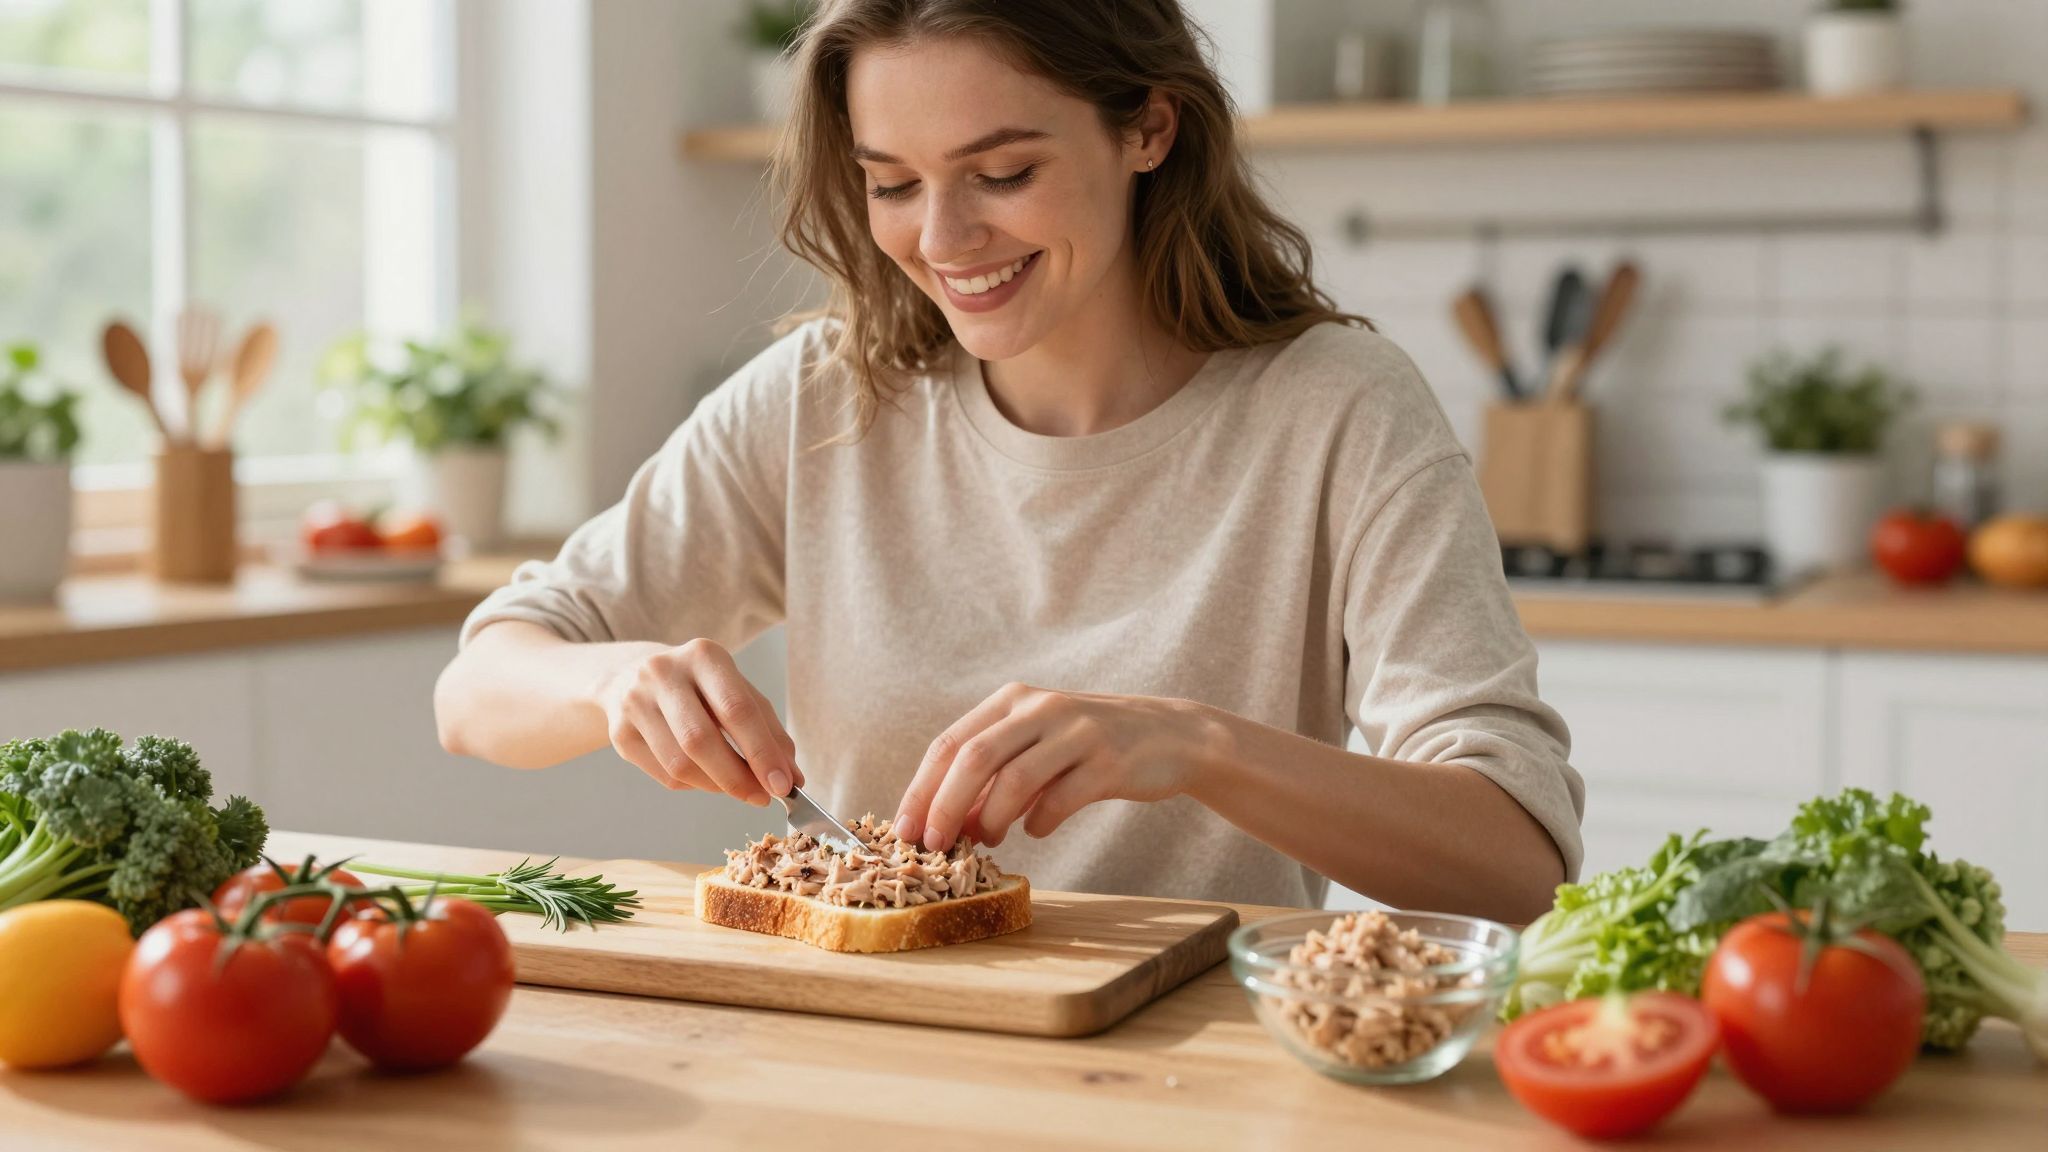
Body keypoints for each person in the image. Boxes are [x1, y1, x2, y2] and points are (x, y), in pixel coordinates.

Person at [435, 0, 1582, 921]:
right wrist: (611, 680)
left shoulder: (1336, 410)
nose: (939, 240)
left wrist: (1196, 746)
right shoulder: (825, 397)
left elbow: (1517, 858)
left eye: (1001, 173)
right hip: (866, 1060)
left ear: (1147, 127)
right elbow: (477, 692)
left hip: (1191, 1077)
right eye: (891, 183)